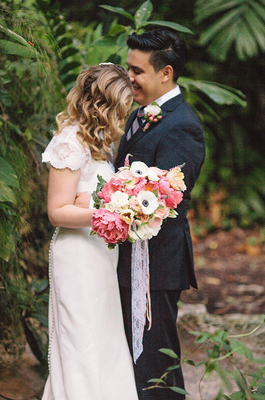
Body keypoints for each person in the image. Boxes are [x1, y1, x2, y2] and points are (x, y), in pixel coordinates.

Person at [115, 29, 205, 399]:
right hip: (128, 258)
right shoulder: (141, 115)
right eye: (128, 68)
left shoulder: (182, 124)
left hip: (156, 264)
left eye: (137, 71)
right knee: (133, 362)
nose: (129, 78)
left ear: (165, 73)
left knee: (156, 365)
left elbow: (168, 200)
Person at [41, 63, 139, 399]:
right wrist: (102, 211)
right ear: (105, 106)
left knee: (103, 338)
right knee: (80, 340)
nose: (125, 114)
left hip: (100, 256)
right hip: (77, 257)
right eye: (123, 107)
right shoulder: (69, 142)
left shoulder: (97, 140)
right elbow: (56, 211)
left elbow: (89, 199)